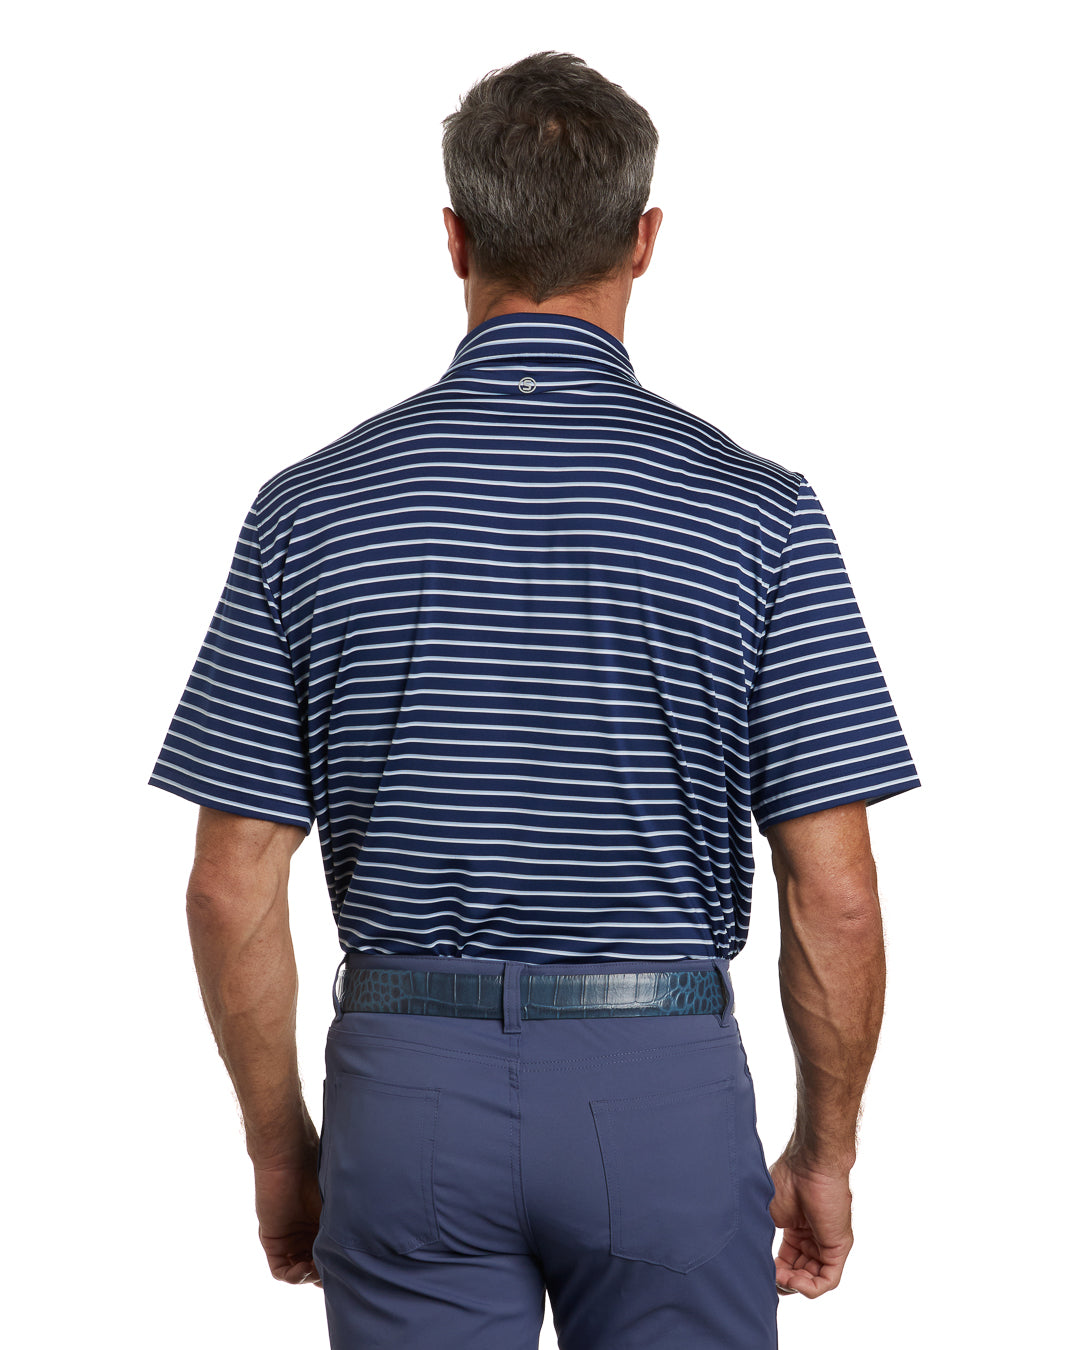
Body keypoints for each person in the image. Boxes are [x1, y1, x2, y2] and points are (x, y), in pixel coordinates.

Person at [148, 50, 921, 1350]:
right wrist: (827, 1150)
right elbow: (834, 891)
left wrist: (282, 1150)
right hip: (661, 1090)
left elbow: (231, 884)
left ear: (456, 238)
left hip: (407, 1095)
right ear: (645, 240)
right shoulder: (759, 516)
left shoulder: (308, 512)